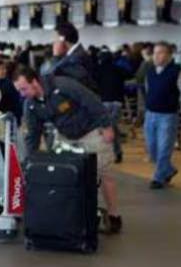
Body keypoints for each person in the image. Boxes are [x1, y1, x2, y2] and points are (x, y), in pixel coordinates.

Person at [13, 65, 122, 233]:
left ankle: (114, 217)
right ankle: (77, 216)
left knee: (102, 173)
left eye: (23, 88)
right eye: (19, 90)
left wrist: (107, 126)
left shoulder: (63, 85)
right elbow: (33, 134)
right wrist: (30, 159)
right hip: (66, 137)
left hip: (92, 131)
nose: (22, 94)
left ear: (34, 82)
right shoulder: (31, 105)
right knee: (67, 176)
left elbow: (91, 101)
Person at [143, 42, 181, 189]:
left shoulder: (177, 71)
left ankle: (158, 178)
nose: (156, 56)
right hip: (150, 114)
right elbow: (148, 90)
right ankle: (169, 170)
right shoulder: (150, 71)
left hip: (168, 116)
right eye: (154, 53)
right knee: (152, 149)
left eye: (160, 52)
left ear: (169, 55)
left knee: (164, 148)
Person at [95, 49, 129, 163]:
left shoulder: (97, 70)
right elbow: (130, 75)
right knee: (112, 127)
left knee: (105, 128)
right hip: (117, 102)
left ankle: (108, 152)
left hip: (103, 102)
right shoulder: (119, 69)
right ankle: (117, 152)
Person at [47, 22, 99, 94]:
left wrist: (56, 56)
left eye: (56, 39)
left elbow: (53, 73)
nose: (54, 43)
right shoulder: (77, 54)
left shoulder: (75, 59)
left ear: (62, 39)